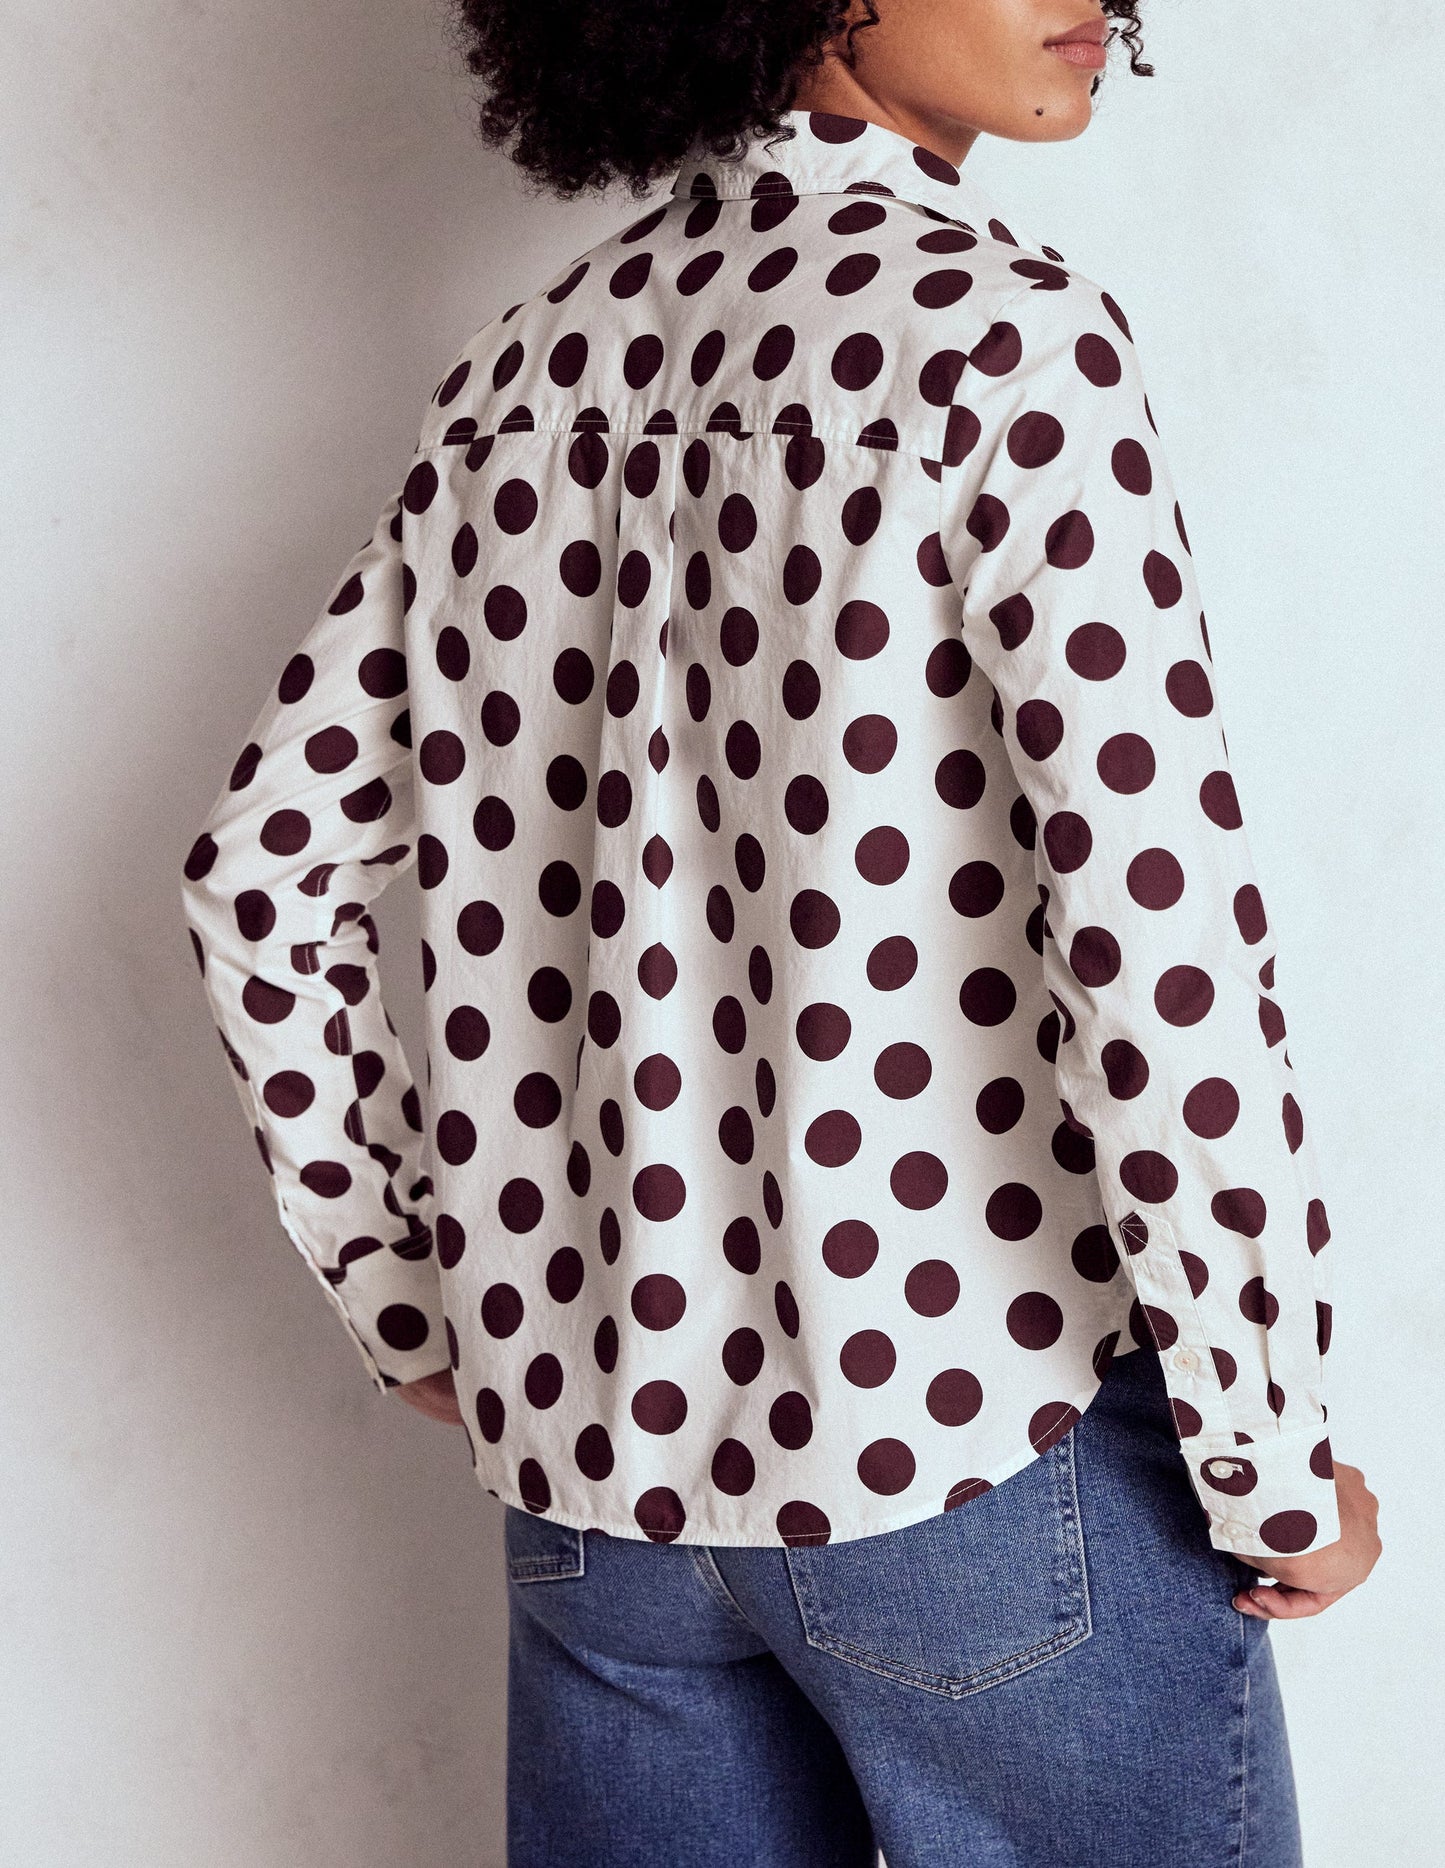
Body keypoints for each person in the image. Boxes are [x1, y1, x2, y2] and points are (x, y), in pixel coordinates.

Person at [180, 0, 1382, 1860]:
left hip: (603, 1496)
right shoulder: (1003, 338)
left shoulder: (533, 363)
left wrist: (410, 1292)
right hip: (978, 1454)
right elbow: (1155, 948)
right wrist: (1268, 1455)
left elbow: (262, 871)